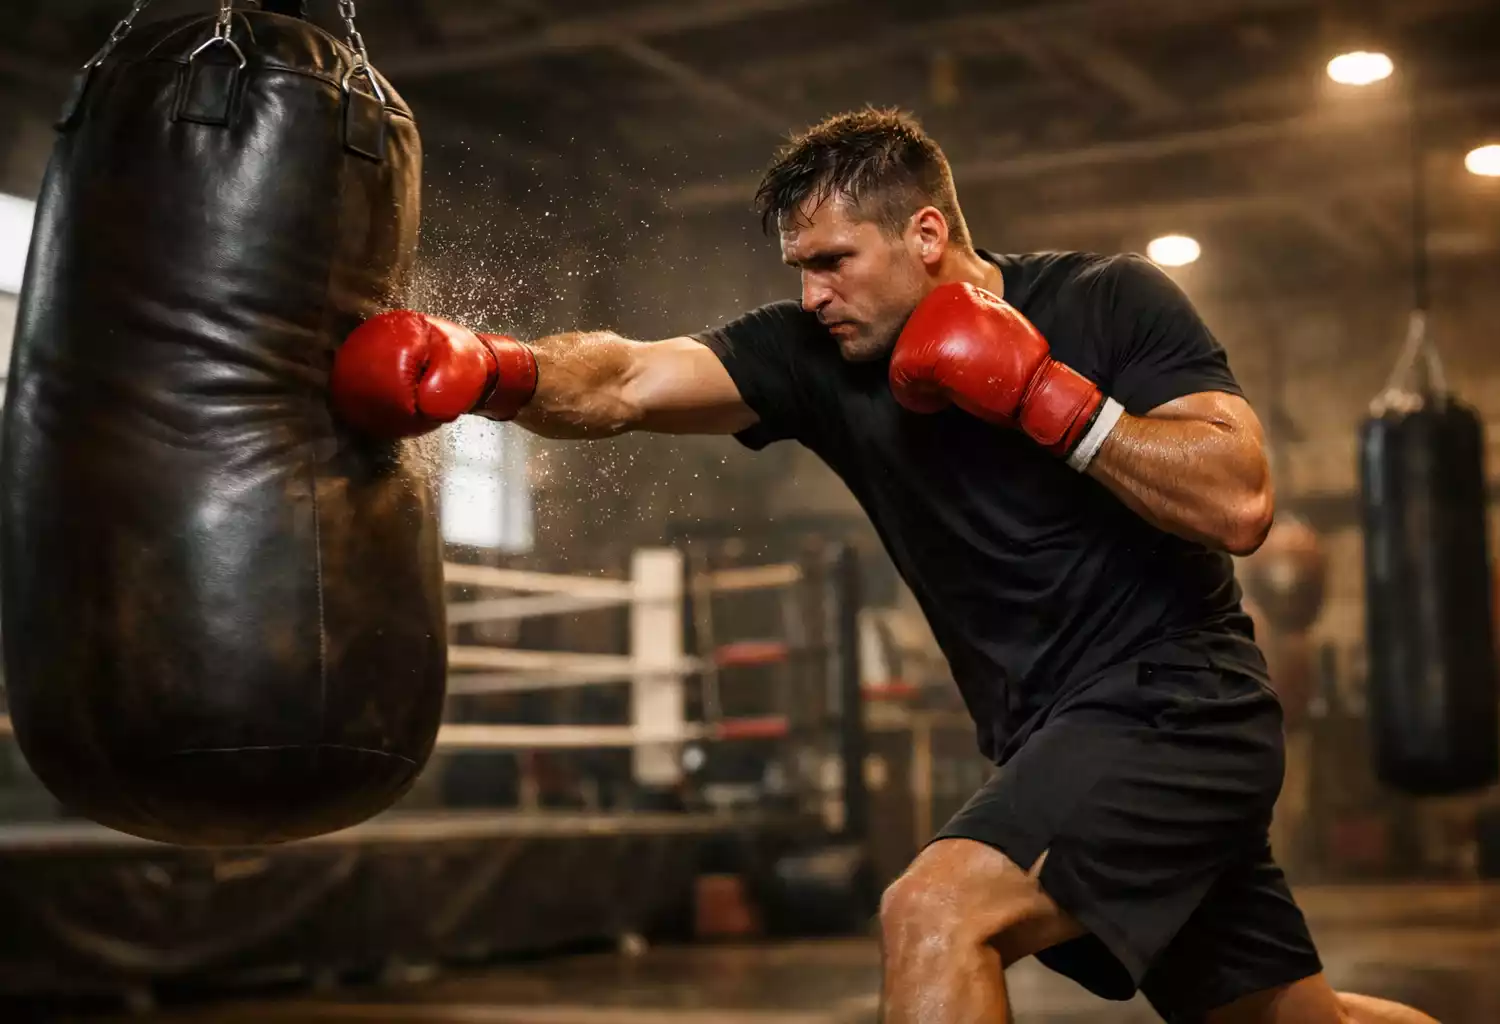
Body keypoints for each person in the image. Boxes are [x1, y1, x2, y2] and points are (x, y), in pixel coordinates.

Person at [328, 108, 1438, 1024]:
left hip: (1178, 704)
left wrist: (1050, 398)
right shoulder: (815, 358)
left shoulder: (1106, 302)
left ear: (925, 232)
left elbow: (1239, 498)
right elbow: (623, 380)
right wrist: (491, 370)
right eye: (799, 269)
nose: (814, 293)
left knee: (935, 913)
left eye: (833, 262)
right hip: (1051, 735)